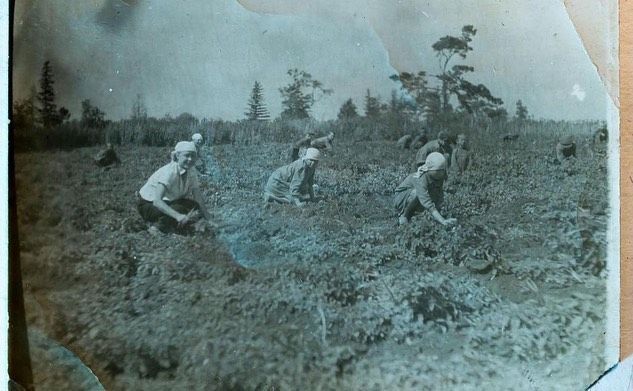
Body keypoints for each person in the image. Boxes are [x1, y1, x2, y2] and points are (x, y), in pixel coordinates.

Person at [137, 141, 212, 234]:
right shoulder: (170, 172)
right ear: (177, 156)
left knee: (194, 206)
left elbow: (198, 197)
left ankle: (177, 224)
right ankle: (156, 228)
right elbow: (157, 201)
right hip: (148, 204)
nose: (190, 159)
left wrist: (208, 217)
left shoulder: (191, 170)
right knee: (178, 210)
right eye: (187, 155)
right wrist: (178, 216)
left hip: (168, 201)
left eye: (193, 156)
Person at [395, 152, 456, 226]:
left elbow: (439, 193)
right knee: (415, 193)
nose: (442, 173)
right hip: (402, 197)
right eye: (438, 171)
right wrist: (442, 220)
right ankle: (404, 215)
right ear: (430, 169)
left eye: (442, 170)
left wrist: (439, 210)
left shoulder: (439, 177)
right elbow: (426, 201)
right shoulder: (420, 178)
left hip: (418, 198)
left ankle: (415, 212)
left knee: (433, 194)